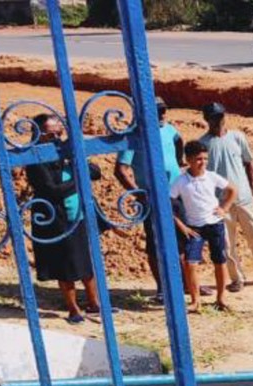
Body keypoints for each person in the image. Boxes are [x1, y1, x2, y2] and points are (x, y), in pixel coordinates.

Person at [25, 114, 105, 324]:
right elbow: (51, 191)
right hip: (56, 219)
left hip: (78, 215)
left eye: (58, 133)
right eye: (50, 133)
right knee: (66, 266)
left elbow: (96, 173)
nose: (55, 138)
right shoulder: (35, 159)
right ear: (38, 134)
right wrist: (79, 181)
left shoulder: (65, 152)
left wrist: (76, 159)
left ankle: (94, 303)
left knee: (86, 262)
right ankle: (73, 308)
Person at [198, 102, 253, 293]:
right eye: (213, 118)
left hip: (244, 198)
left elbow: (248, 163)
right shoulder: (203, 144)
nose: (218, 121)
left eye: (220, 116)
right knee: (226, 242)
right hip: (221, 203)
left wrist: (252, 188)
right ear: (207, 120)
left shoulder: (238, 137)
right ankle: (237, 278)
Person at [115, 96, 185, 304]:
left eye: (164, 110)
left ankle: (185, 285)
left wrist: (179, 169)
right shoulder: (134, 135)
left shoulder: (170, 130)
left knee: (181, 240)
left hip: (175, 195)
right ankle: (163, 288)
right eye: (158, 111)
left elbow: (178, 146)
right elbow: (120, 169)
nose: (163, 114)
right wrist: (138, 193)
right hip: (152, 198)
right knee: (156, 244)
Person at [168, 140, 237, 313]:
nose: (203, 163)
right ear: (188, 159)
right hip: (194, 228)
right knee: (190, 263)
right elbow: (167, 203)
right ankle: (195, 301)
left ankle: (221, 299)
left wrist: (224, 208)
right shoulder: (181, 181)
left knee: (220, 261)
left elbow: (232, 190)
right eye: (199, 159)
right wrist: (182, 226)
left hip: (214, 224)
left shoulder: (212, 177)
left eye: (205, 159)